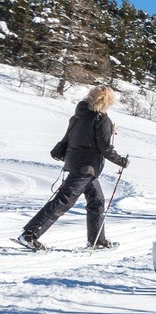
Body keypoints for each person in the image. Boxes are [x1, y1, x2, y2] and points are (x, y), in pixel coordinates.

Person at [17, 85, 129, 251]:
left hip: (78, 165)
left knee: (97, 201)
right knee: (63, 201)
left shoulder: (79, 116)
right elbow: (105, 148)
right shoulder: (102, 120)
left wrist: (107, 130)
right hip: (85, 168)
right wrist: (121, 161)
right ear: (107, 101)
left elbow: (73, 137)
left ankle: (97, 240)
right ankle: (29, 234)